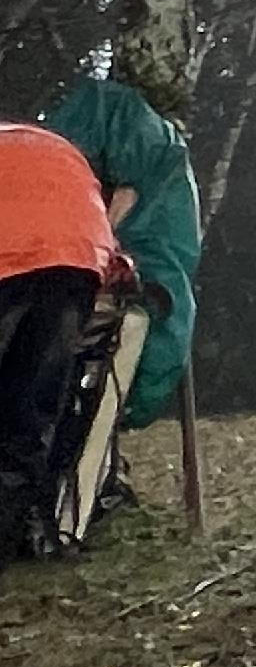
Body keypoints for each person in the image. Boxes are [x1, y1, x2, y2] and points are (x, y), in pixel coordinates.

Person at [43, 77, 199, 496]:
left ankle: (74, 491)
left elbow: (109, 228)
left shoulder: (138, 155)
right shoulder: (140, 149)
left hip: (126, 294)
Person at [0, 117, 116, 561]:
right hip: (75, 262)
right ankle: (21, 534)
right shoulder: (55, 149)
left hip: (14, 258)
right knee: (31, 405)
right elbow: (105, 241)